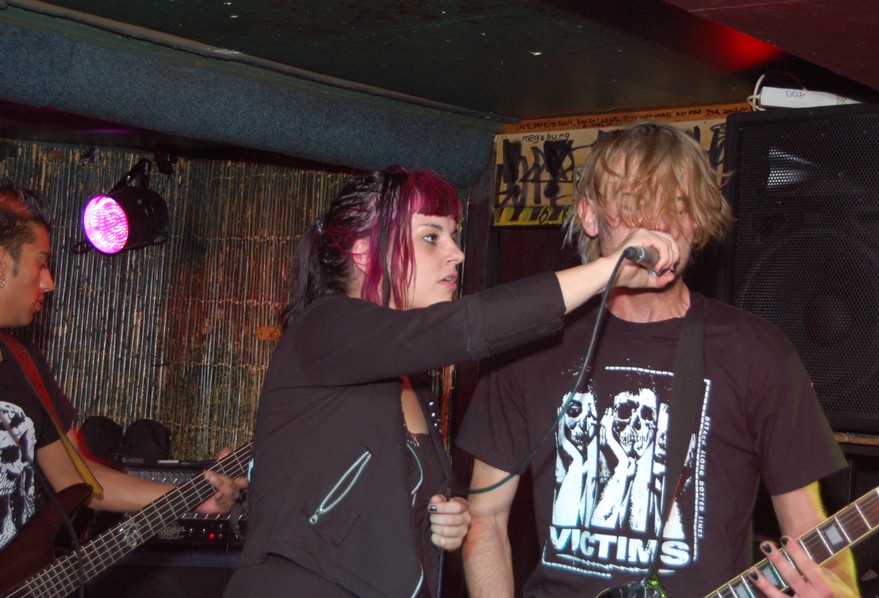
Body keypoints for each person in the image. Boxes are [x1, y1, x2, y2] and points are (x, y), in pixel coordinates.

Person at [224, 166, 680, 598]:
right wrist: (606, 270)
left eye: (454, 236)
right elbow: (465, 326)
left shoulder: (408, 376)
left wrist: (442, 517)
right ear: (364, 252)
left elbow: (371, 511)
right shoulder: (324, 327)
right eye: (430, 237)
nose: (456, 253)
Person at [457, 121, 859, 597]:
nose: (659, 225)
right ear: (590, 216)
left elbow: (812, 529)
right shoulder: (531, 342)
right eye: (634, 203)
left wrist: (838, 590)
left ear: (697, 223)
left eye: (678, 206)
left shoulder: (757, 352)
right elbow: (485, 517)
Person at [0, 179, 247, 558]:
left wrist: (192, 496)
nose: (49, 283)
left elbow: (80, 479)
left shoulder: (24, 363)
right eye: (42, 263)